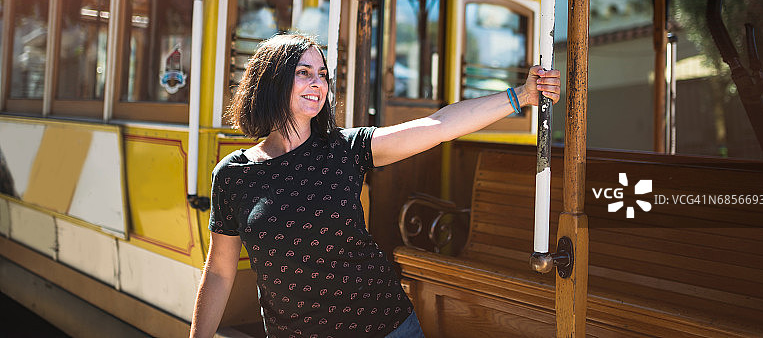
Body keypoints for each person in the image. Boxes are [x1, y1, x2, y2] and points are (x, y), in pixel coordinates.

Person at [190, 33, 561, 338]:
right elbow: (220, 271)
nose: (317, 83)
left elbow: (439, 126)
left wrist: (522, 96)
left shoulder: (344, 149)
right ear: (272, 81)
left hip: (383, 328)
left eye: (322, 74)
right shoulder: (234, 174)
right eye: (304, 72)